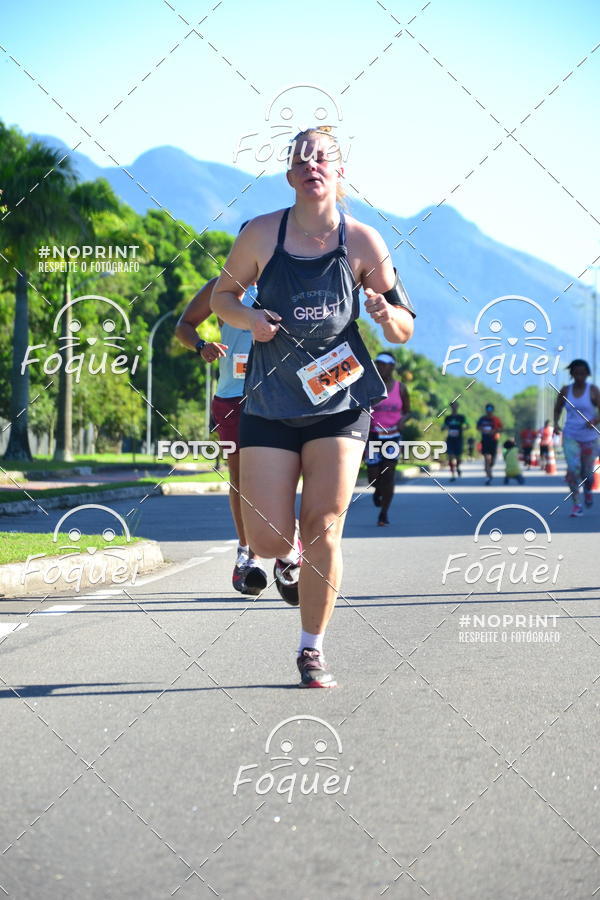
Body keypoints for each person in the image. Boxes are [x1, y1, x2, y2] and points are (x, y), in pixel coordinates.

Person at [211, 125, 415, 687]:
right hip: (271, 403)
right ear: (289, 174)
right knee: (271, 537)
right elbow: (221, 298)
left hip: (340, 403)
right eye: (301, 159)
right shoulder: (259, 235)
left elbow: (403, 327)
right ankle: (284, 556)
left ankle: (311, 649)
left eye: (322, 158)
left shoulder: (365, 242)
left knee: (324, 524)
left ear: (338, 171)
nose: (312, 166)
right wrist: (248, 318)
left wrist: (382, 313)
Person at [175, 239, 268, 595]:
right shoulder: (222, 286)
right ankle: (248, 554)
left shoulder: (290, 284)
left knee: (282, 473)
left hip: (279, 396)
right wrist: (201, 346)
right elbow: (184, 325)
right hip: (232, 397)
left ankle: (290, 550)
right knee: (241, 478)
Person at [365, 353, 411, 526]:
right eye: (378, 364)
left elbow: (407, 411)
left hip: (392, 436)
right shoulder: (370, 387)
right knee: (373, 475)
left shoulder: (401, 388)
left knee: (389, 473)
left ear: (392, 367)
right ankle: (377, 491)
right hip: (373, 435)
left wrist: (403, 421)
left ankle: (384, 513)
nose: (380, 367)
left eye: (384, 364)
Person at [553, 359, 600, 517]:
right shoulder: (566, 390)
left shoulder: (593, 390)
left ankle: (587, 490)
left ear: (587, 374)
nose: (579, 376)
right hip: (570, 435)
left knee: (588, 473)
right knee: (573, 470)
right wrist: (555, 424)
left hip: (589, 438)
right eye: (576, 373)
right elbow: (557, 407)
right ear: (572, 374)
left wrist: (594, 421)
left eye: (582, 373)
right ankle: (576, 504)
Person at [476, 403, 503, 484]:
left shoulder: (496, 419)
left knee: (492, 461)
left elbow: (501, 428)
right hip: (485, 441)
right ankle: (488, 476)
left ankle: (489, 469)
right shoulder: (482, 419)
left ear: (493, 410)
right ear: (486, 410)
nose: (489, 411)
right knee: (487, 458)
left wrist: (494, 431)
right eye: (488, 409)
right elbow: (478, 427)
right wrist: (482, 429)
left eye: (490, 410)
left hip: (493, 441)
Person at [442, 400, 467, 481]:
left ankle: (458, 467)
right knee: (450, 457)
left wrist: (464, 427)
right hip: (450, 440)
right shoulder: (448, 418)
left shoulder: (461, 417)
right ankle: (453, 475)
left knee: (458, 457)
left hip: (459, 439)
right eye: (453, 406)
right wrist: (444, 428)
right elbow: (443, 426)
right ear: (451, 407)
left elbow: (467, 425)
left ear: (457, 407)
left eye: (455, 405)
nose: (454, 407)